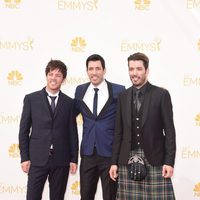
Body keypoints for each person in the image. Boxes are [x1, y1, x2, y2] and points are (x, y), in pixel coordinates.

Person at [109, 52, 176, 199]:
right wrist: (114, 162)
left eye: (139, 69)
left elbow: (170, 131)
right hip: (127, 159)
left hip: (155, 159)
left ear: (147, 71)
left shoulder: (161, 94)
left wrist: (169, 162)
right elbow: (118, 132)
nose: (134, 73)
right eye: (131, 69)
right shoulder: (123, 96)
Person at [18, 59, 79, 200]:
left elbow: (72, 132)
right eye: (51, 74)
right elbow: (23, 131)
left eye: (58, 75)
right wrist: (24, 157)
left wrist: (74, 158)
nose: (54, 78)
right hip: (37, 159)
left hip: (61, 160)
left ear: (63, 79)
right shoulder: (31, 99)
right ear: (46, 76)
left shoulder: (69, 103)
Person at [75, 54, 125, 200]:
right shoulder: (80, 90)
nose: (94, 72)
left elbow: (125, 121)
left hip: (109, 154)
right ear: (87, 71)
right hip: (88, 153)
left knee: (110, 196)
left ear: (104, 70)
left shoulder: (118, 90)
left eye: (98, 68)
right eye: (91, 69)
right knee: (85, 196)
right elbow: (69, 116)